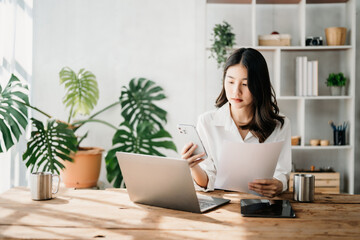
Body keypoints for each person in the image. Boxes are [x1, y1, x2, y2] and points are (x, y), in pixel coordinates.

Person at [181, 48, 291, 198]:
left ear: (259, 86)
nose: (235, 91)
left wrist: (278, 185)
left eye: (245, 84)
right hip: (222, 205)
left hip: (263, 204)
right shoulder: (206, 122)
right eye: (231, 81)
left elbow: (282, 174)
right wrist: (193, 167)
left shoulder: (280, 125)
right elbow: (207, 180)